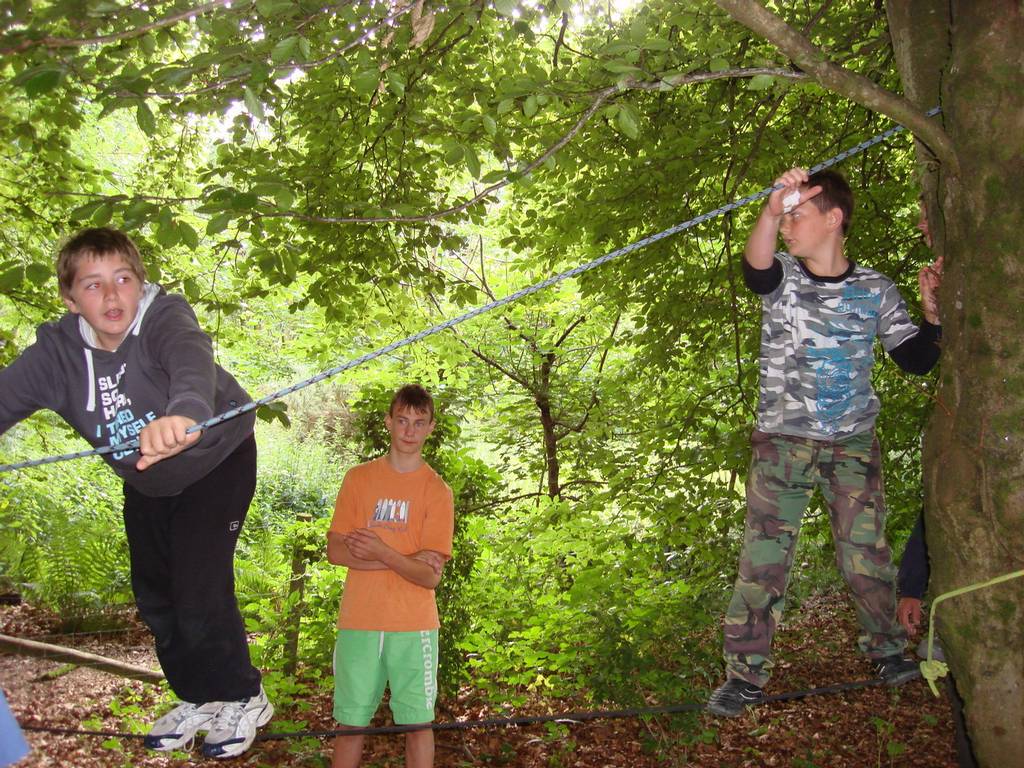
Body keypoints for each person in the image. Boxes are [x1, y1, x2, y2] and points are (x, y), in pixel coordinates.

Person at [0, 228, 272, 758]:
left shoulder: (162, 318)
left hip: (216, 459)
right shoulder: (56, 357)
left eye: (123, 279)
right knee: (157, 599)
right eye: (93, 284)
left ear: (139, 283)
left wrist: (185, 413)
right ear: (70, 297)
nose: (112, 296)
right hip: (149, 478)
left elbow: (190, 359)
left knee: (198, 586)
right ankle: (199, 697)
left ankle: (243, 694)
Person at [707, 169, 943, 717]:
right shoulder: (783, 276)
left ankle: (887, 651)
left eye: (798, 215)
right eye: (784, 217)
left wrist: (935, 322)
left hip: (852, 445)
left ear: (833, 219)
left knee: (867, 556)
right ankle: (744, 676)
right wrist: (770, 210)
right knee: (763, 563)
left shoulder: (876, 289)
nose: (788, 226)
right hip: (783, 443)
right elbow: (755, 267)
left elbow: (915, 359)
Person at [327, 384, 454, 768]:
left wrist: (379, 550)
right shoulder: (359, 479)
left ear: (431, 427)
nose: (409, 431)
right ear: (389, 422)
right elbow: (335, 551)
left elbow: (430, 578)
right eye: (402, 421)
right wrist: (407, 559)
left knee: (417, 724)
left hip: (413, 625)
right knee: (350, 724)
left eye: (419, 422)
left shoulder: (437, 491)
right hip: (359, 620)